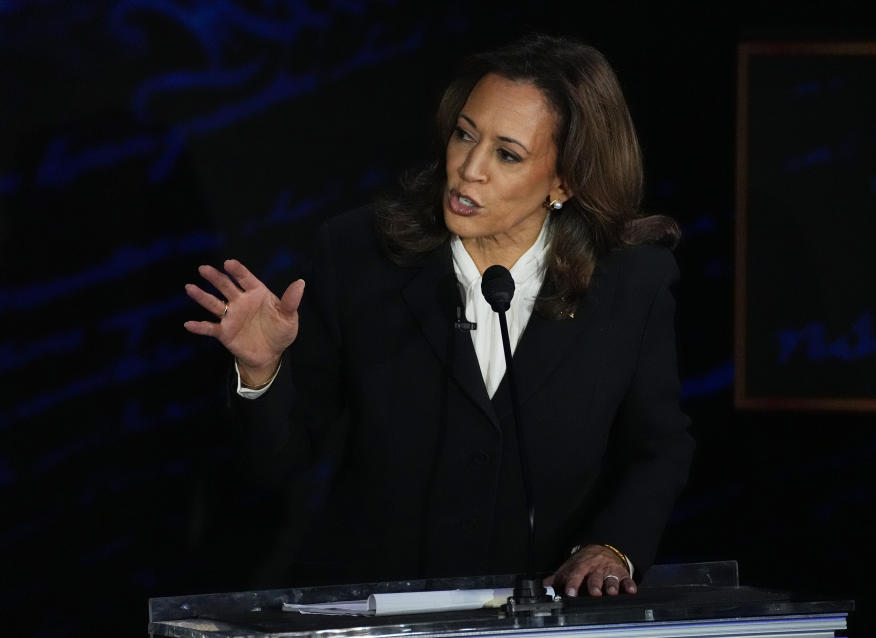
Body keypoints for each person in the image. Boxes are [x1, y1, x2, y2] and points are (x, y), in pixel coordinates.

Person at [184, 34, 693, 599]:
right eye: (465, 135)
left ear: (564, 180)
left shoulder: (630, 283)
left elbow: (659, 446)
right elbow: (275, 470)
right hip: (379, 612)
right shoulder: (360, 254)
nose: (468, 169)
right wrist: (262, 373)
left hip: (545, 616)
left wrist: (614, 546)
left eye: (507, 153)